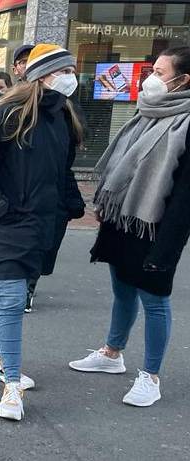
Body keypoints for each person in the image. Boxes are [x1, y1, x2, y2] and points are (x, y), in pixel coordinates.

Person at [0, 44, 86, 421]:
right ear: (42, 76)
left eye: (72, 70)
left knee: (13, 297)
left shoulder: (64, 116)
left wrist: (71, 204)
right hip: (7, 223)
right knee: (14, 298)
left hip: (43, 223)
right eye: (64, 70)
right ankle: (11, 386)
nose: (70, 77)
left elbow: (61, 170)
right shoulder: (7, 113)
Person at [68, 46, 190, 408]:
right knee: (122, 290)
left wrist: (166, 249)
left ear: (183, 80)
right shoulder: (146, 111)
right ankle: (112, 353)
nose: (151, 79)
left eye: (160, 72)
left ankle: (151, 376)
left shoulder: (185, 123)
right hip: (123, 219)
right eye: (152, 70)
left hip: (156, 227)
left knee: (154, 300)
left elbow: (185, 197)